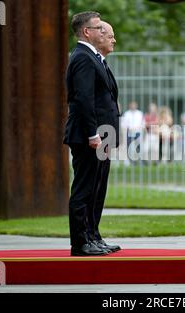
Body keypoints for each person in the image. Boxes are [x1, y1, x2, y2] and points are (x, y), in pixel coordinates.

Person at [63, 12, 120, 256]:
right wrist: (92, 134)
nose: (106, 34)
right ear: (87, 32)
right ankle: (80, 242)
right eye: (99, 28)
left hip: (101, 136)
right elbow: (83, 99)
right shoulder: (83, 58)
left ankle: (93, 236)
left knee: (97, 188)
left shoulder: (94, 58)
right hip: (91, 137)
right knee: (85, 188)